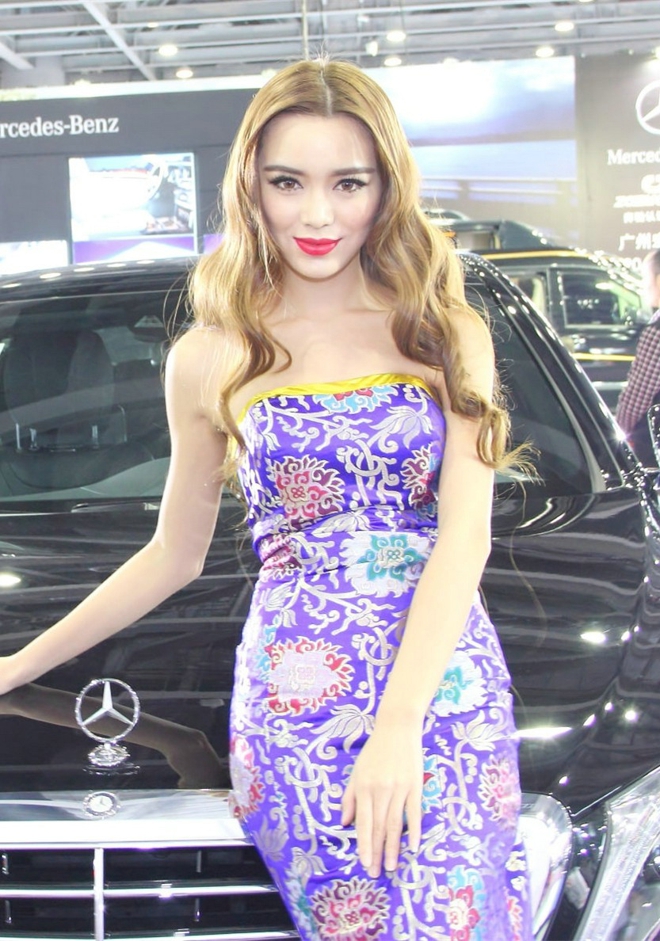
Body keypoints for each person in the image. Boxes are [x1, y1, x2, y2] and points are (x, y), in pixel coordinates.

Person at [0, 59, 531, 939]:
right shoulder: (211, 355)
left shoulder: (443, 330)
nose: (317, 215)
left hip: (442, 687)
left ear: (386, 186)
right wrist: (16, 665)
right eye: (288, 182)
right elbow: (173, 554)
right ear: (251, 184)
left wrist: (400, 723)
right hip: (296, 697)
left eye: (347, 183)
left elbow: (463, 538)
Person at [616, 248, 660, 466]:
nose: (644, 286)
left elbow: (637, 397)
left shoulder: (656, 331)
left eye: (646, 279)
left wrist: (617, 437)